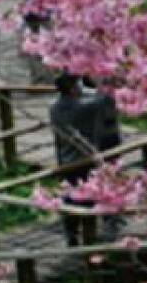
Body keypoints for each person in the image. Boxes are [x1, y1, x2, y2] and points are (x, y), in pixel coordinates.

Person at [50, 74, 125, 245]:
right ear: (72, 88)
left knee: (70, 197)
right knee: (94, 194)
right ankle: (101, 235)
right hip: (85, 160)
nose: (81, 86)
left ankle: (72, 236)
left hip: (65, 160)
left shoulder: (54, 107)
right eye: (78, 84)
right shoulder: (85, 108)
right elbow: (106, 99)